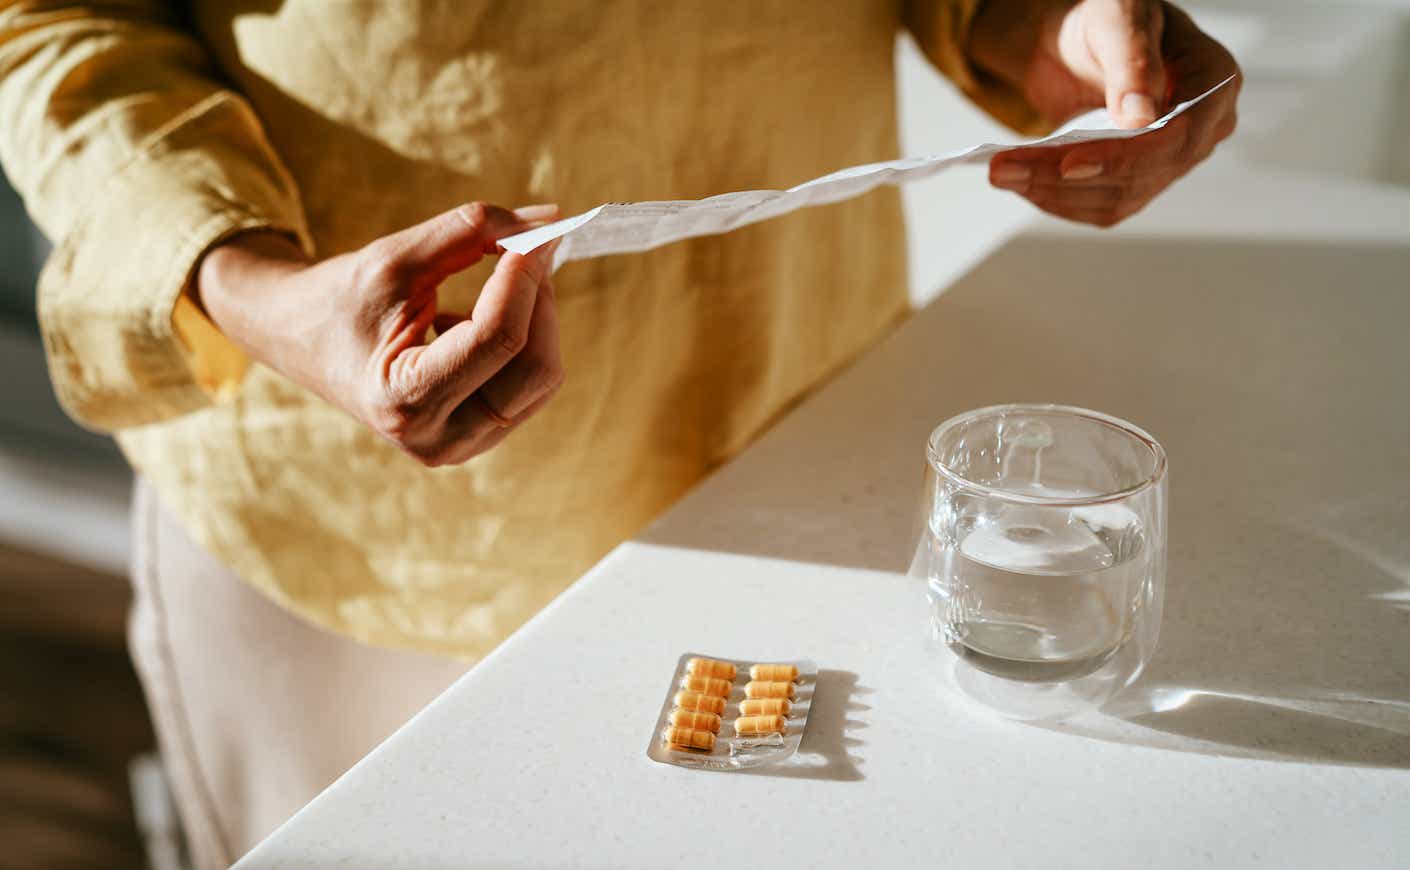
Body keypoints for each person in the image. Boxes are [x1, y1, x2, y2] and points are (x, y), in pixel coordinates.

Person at [0, 0, 1238, 865]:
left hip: (803, 457)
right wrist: (251, 288)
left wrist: (1042, 23)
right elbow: (49, 21)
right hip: (372, 541)